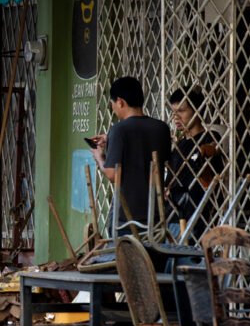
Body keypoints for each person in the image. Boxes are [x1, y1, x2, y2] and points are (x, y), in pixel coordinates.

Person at [87, 76, 171, 236]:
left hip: (127, 217)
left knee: (126, 260)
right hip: (155, 215)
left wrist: (100, 158)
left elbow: (112, 175)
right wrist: (110, 138)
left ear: (120, 102)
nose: (114, 108)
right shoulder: (161, 128)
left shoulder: (119, 130)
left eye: (112, 104)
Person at [167, 87, 226, 240]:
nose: (176, 117)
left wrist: (204, 151)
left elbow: (214, 150)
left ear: (197, 110)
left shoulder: (209, 137)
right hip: (173, 216)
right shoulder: (178, 148)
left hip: (199, 218)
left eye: (182, 111)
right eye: (174, 112)